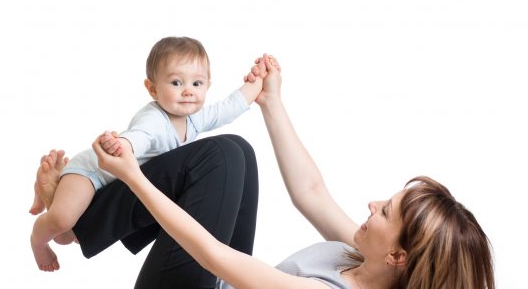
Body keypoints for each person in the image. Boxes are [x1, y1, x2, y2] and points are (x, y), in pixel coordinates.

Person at [50, 54, 494, 288]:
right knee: (237, 151)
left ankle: (77, 211)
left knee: (219, 158)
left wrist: (133, 175)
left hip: (205, 274)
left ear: (398, 257)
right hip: (214, 279)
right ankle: (80, 211)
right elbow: (312, 192)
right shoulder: (361, 260)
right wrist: (271, 102)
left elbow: (213, 255)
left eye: (386, 212)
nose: (372, 205)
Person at [29, 36, 276, 272]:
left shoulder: (194, 118)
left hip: (118, 185)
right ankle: (38, 242)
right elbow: (139, 137)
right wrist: (121, 144)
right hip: (92, 173)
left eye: (197, 83)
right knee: (62, 222)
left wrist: (257, 81)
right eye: (176, 83)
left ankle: (52, 195)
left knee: (71, 236)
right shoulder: (154, 119)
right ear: (152, 89)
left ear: (208, 86)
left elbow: (228, 108)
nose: (188, 91)